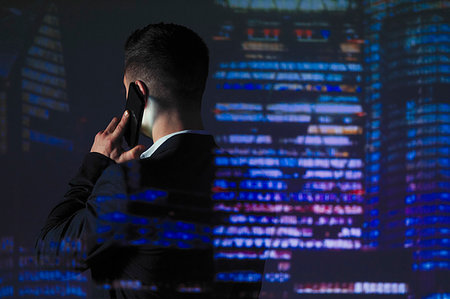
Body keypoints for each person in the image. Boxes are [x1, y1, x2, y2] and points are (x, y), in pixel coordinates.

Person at [36, 23, 217, 299]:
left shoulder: (131, 182)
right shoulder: (252, 182)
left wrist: (95, 165)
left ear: (138, 94)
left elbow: (50, 252)